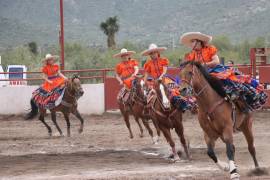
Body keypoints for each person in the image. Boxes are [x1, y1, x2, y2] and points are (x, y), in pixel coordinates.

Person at [180, 32, 267, 111]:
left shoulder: (210, 49)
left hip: (213, 69)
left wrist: (204, 64)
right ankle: (194, 102)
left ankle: (234, 94)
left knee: (223, 77)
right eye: (191, 42)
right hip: (201, 74)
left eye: (193, 41)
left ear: (199, 42)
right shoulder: (192, 55)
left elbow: (216, 61)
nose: (191, 44)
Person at [141, 43, 194, 111]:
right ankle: (149, 111)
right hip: (155, 82)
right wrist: (144, 82)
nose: (153, 54)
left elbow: (164, 71)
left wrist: (161, 77)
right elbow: (146, 75)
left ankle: (184, 105)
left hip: (165, 79)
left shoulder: (163, 60)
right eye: (151, 53)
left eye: (154, 52)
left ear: (157, 52)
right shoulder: (148, 64)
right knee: (148, 96)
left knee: (175, 90)